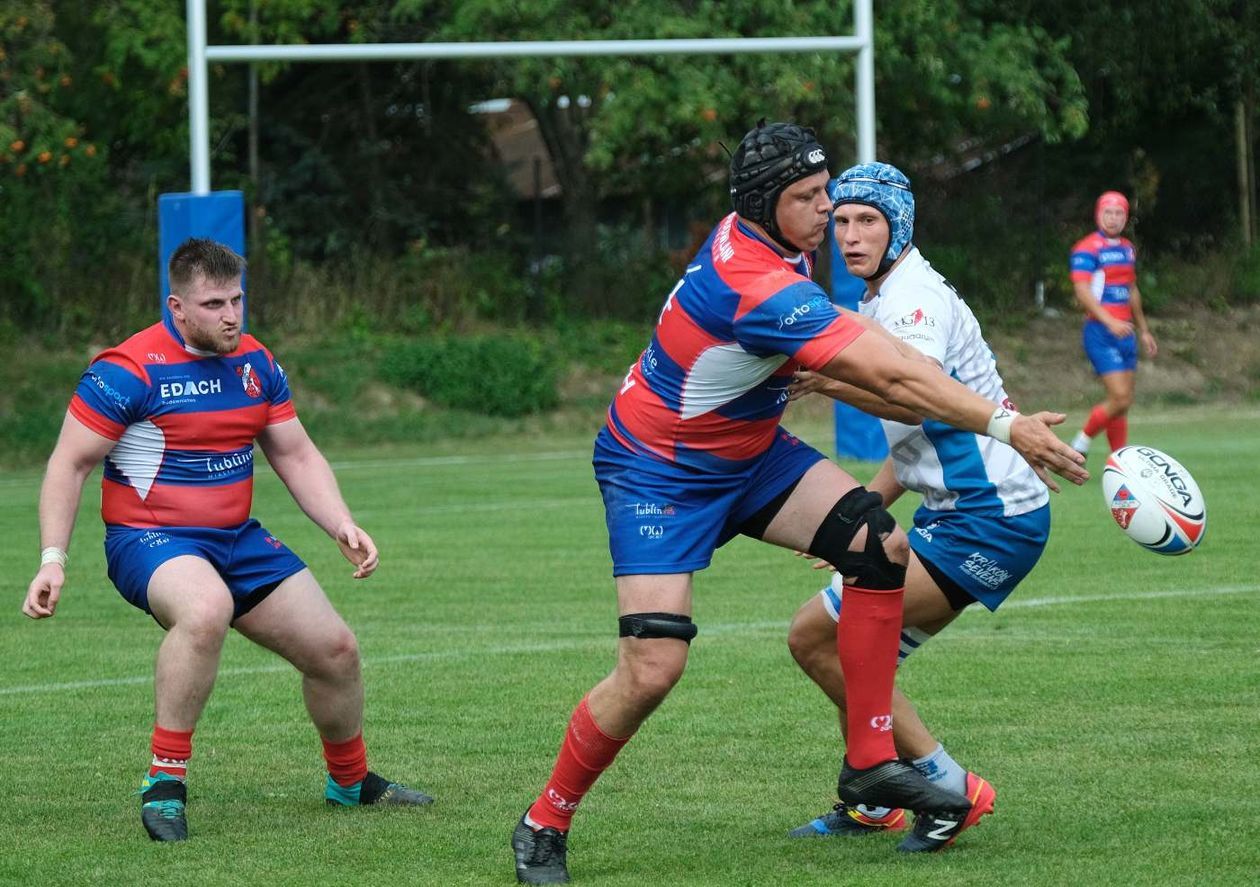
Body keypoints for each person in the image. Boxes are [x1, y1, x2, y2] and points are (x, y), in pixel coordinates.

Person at [510, 122, 1087, 885]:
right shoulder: (755, 282)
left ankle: (871, 765)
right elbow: (896, 376)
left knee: (878, 545)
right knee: (653, 667)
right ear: (763, 205)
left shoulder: (779, 240)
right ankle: (544, 820)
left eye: (834, 195)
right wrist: (1008, 424)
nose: (829, 211)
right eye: (812, 199)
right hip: (659, 469)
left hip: (747, 450)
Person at [21, 238, 433, 842]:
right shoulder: (127, 371)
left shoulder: (256, 364)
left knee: (336, 651)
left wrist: (340, 521)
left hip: (236, 539)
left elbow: (294, 451)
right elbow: (68, 464)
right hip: (149, 538)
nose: (230, 315)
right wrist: (52, 560)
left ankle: (349, 782)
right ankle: (164, 783)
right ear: (177, 308)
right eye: (214, 303)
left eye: (236, 299)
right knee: (205, 609)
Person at [785, 162, 1054, 853]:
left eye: (867, 220)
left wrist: (827, 378)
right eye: (841, 220)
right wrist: (862, 507)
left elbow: (915, 398)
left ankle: (951, 789)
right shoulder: (882, 299)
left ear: (898, 224)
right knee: (848, 653)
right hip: (960, 512)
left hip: (991, 521)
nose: (850, 234)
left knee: (824, 639)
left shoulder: (910, 302)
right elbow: (918, 441)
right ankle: (883, 795)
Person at [1067, 191, 1158, 456]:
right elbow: (1082, 292)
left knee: (1123, 403)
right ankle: (1080, 443)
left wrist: (1144, 331)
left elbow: (1131, 290)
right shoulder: (1086, 249)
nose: (1113, 218)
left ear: (1126, 217)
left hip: (1126, 332)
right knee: (1120, 397)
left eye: (1119, 213)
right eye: (1108, 212)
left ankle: (1120, 459)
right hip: (1100, 332)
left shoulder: (1127, 248)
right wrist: (1109, 322)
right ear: (1098, 215)